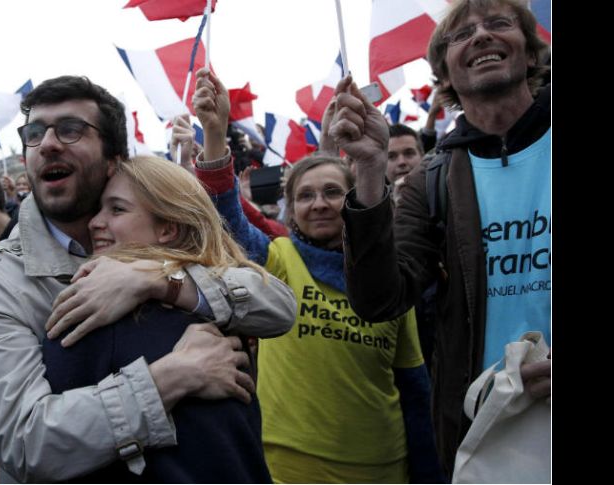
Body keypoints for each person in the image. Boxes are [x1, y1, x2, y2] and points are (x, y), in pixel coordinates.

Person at [0, 75, 296, 483]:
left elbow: (278, 307)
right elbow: (23, 443)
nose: (46, 143)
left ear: (113, 159)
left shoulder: (169, 254)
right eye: (34, 132)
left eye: (70, 129)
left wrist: (158, 281)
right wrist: (172, 376)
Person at [191, 67, 442, 483]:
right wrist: (214, 134)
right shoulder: (278, 259)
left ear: (357, 199)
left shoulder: (391, 280)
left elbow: (415, 389)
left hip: (383, 466)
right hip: (288, 462)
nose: (320, 204)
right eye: (305, 196)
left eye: (332, 193)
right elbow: (224, 219)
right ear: (290, 209)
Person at [333, 0, 551, 477]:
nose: (480, 36)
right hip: (486, 430)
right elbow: (379, 300)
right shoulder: (433, 180)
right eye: (461, 34)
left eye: (498, 24)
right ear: (446, 76)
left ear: (532, 54)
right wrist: (370, 170)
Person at [42, 155, 292, 482]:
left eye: (116, 209)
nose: (94, 223)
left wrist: (157, 280)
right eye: (99, 209)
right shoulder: (100, 306)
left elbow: (281, 306)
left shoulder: (95, 315)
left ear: (167, 228)